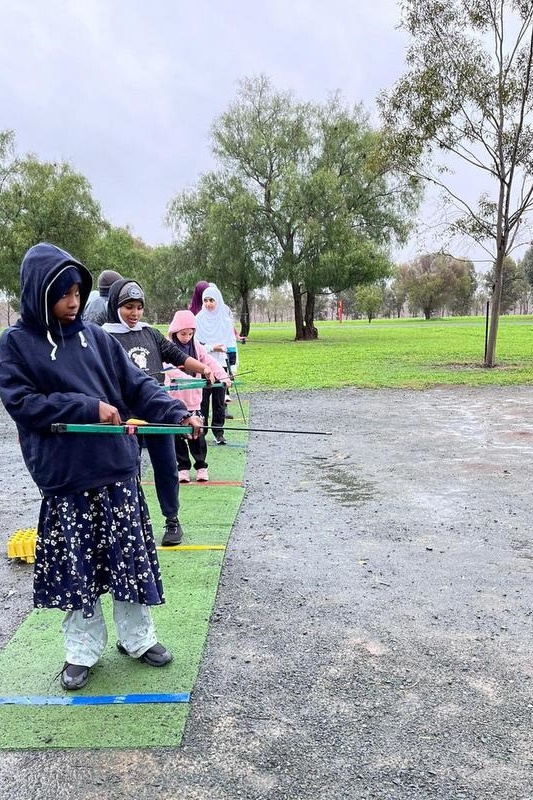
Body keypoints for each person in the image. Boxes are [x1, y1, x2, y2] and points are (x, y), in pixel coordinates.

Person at [0, 242, 203, 691]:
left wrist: (178, 415)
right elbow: (24, 404)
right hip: (68, 480)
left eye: (77, 292)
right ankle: (81, 651)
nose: (73, 302)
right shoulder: (15, 344)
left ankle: (138, 638)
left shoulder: (97, 339)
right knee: (80, 571)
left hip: (116, 474)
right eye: (62, 293)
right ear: (37, 293)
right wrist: (88, 407)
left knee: (128, 563)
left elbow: (137, 387)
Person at [103, 279, 214, 545]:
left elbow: (177, 355)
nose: (135, 313)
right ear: (116, 306)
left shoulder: (150, 333)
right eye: (129, 307)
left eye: (139, 307)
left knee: (167, 467)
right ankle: (132, 523)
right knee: (129, 470)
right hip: (124, 414)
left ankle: (172, 519)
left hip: (157, 409)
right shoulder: (104, 335)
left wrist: (204, 369)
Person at [165, 309, 231, 483]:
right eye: (183, 333)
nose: (186, 337)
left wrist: (222, 376)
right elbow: (169, 369)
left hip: (194, 401)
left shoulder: (196, 346)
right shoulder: (167, 345)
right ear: (174, 331)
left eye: (190, 333)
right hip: (175, 401)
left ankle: (201, 465)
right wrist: (190, 379)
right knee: (178, 436)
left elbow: (209, 361)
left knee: (197, 434)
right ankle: (183, 467)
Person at [194, 283, 237, 445]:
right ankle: (201, 431)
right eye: (205, 300)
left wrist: (232, 368)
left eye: (212, 300)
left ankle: (218, 432)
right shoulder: (198, 320)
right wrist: (212, 347)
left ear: (218, 300)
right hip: (203, 366)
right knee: (203, 400)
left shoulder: (225, 321)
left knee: (219, 401)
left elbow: (232, 345)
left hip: (221, 366)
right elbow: (195, 344)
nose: (208, 304)